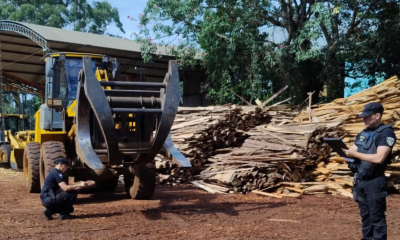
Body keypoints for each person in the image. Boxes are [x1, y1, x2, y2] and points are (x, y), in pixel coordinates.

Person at [342, 102, 396, 240]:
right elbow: (353, 150)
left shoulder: (386, 133)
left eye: (367, 116)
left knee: (376, 218)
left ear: (377, 115)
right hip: (361, 181)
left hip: (375, 182)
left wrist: (354, 155)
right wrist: (344, 151)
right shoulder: (363, 133)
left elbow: (379, 158)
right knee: (365, 218)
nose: (363, 119)